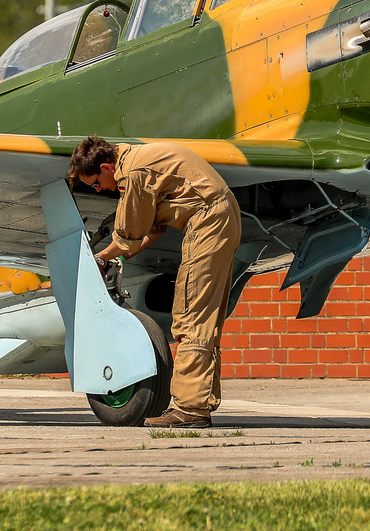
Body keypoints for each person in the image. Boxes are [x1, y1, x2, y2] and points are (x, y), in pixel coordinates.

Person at [71, 137, 244, 429]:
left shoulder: (135, 171)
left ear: (105, 166)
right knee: (203, 317)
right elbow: (153, 229)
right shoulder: (141, 158)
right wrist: (119, 256)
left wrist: (99, 259)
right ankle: (198, 402)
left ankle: (190, 409)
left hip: (207, 224)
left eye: (96, 183)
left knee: (190, 315)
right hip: (220, 218)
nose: (99, 189)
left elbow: (127, 233)